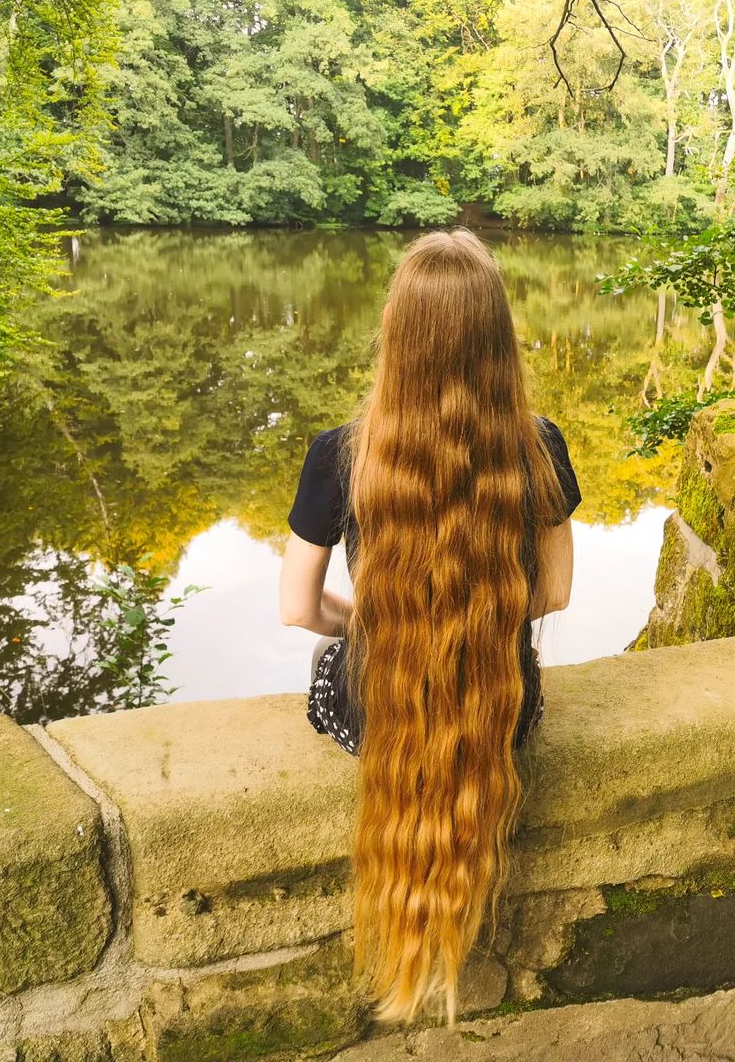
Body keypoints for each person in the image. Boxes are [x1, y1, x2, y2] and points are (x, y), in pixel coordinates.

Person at [277, 228, 582, 1029]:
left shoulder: (339, 453)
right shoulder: (540, 446)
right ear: (497, 338)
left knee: (328, 654)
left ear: (396, 336)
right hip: (499, 715)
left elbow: (297, 607)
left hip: (375, 715)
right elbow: (550, 595)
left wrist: (372, 627)